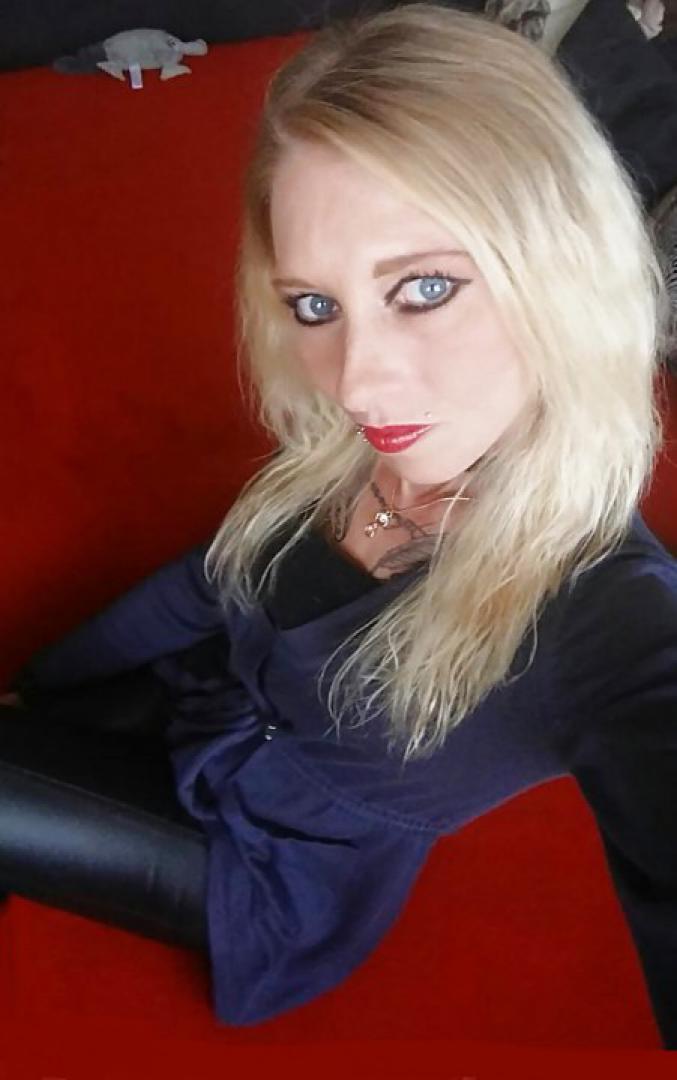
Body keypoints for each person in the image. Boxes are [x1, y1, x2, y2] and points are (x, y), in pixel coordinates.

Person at [2, 0, 677, 1046]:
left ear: (561, 267)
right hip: (204, 707)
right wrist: (46, 680)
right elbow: (206, 584)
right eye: (315, 306)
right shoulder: (365, 439)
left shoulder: (608, 614)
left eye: (424, 287)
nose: (355, 382)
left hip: (265, 864)